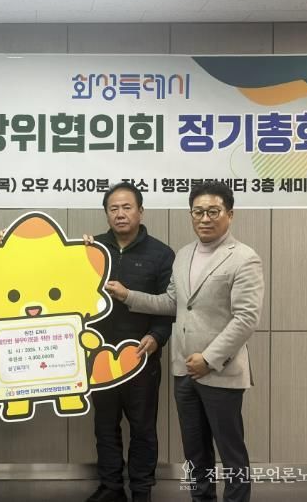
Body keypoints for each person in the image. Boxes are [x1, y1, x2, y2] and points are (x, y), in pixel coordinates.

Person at [107, 180, 264, 502]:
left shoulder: (244, 258)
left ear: (230, 214)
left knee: (231, 451)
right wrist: (128, 296)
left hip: (221, 371)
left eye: (213, 212)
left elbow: (246, 318)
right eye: (198, 212)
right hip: (184, 371)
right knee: (195, 452)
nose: (205, 219)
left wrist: (208, 359)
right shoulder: (183, 255)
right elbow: (171, 303)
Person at [85, 182, 175, 502]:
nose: (120, 214)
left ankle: (141, 488)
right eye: (114, 208)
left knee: (143, 428)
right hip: (99, 357)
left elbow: (170, 305)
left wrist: (156, 337)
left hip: (141, 357)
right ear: (106, 213)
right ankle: (111, 486)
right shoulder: (93, 249)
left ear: (141, 211)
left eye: (127, 207)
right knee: (105, 426)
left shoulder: (161, 254)